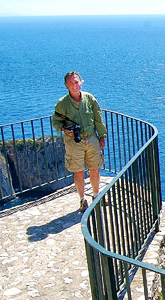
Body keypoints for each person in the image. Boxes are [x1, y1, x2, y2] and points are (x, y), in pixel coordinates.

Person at [52, 71, 107, 212]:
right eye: (71, 83)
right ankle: (82, 200)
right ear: (66, 86)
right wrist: (64, 128)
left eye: (76, 82)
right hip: (73, 141)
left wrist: (102, 136)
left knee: (95, 168)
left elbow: (98, 118)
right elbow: (56, 122)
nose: (74, 85)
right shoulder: (62, 104)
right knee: (79, 171)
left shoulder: (89, 99)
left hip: (91, 137)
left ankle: (96, 196)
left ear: (81, 82)